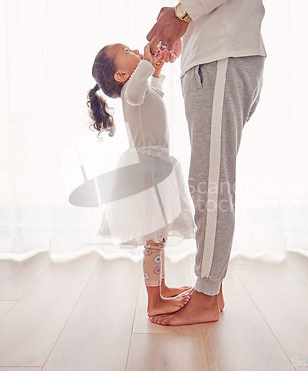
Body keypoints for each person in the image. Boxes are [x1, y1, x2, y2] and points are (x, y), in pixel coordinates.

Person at [146, 0, 267, 326]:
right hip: (211, 58)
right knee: (211, 177)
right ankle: (211, 290)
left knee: (210, 182)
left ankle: (207, 296)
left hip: (220, 57)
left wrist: (181, 14)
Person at [87, 42, 197, 316]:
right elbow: (139, 89)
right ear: (121, 77)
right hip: (149, 172)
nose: (135, 50)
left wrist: (156, 68)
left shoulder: (140, 90)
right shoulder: (130, 93)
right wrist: (147, 61)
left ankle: (161, 288)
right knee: (153, 240)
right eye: (126, 52)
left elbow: (154, 93)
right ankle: (154, 301)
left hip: (157, 167)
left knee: (157, 237)